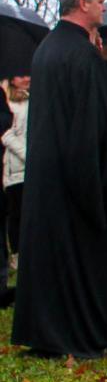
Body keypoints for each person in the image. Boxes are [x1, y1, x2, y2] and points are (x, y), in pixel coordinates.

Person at [10, 0, 107, 358]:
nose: (103, 7)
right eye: (99, 1)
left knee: (55, 256)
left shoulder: (48, 49)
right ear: (82, 4)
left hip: (49, 172)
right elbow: (97, 121)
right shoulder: (80, 55)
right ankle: (89, 328)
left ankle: (50, 330)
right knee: (81, 258)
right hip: (78, 175)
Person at [0, 76, 27, 309]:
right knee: (15, 215)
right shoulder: (7, 103)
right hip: (15, 170)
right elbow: (6, 133)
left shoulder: (32, 101)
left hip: (25, 169)